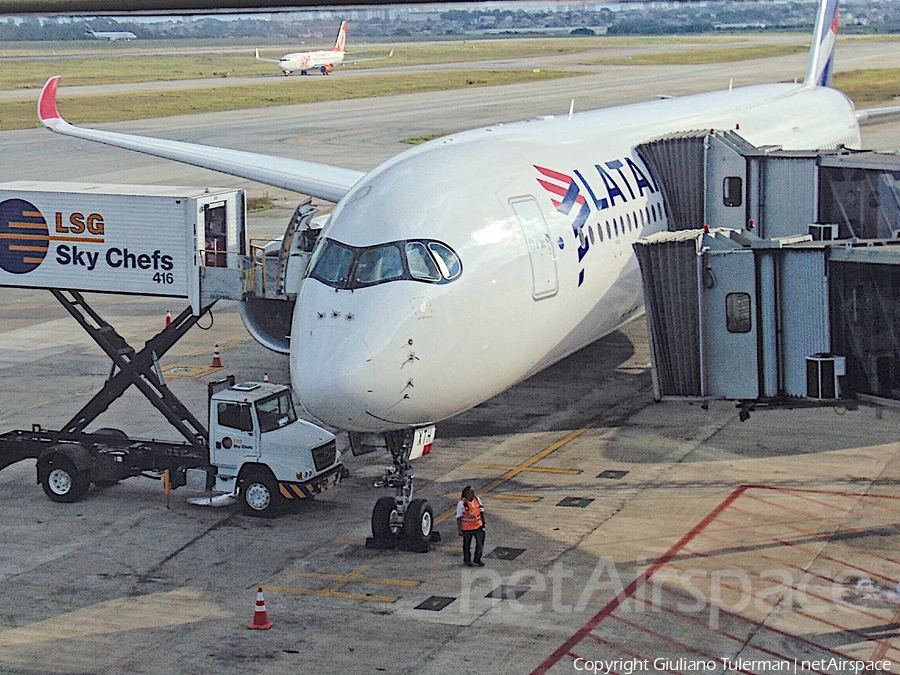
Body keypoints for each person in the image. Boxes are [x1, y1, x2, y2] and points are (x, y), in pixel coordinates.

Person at [456, 485, 485, 567]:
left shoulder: (477, 500)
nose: (473, 494)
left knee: (480, 544)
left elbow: (481, 511)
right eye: (471, 492)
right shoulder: (462, 503)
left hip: (478, 526)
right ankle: (467, 560)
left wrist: (483, 523)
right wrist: (460, 530)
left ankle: (477, 559)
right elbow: (459, 517)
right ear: (466, 494)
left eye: (473, 492)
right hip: (467, 528)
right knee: (466, 545)